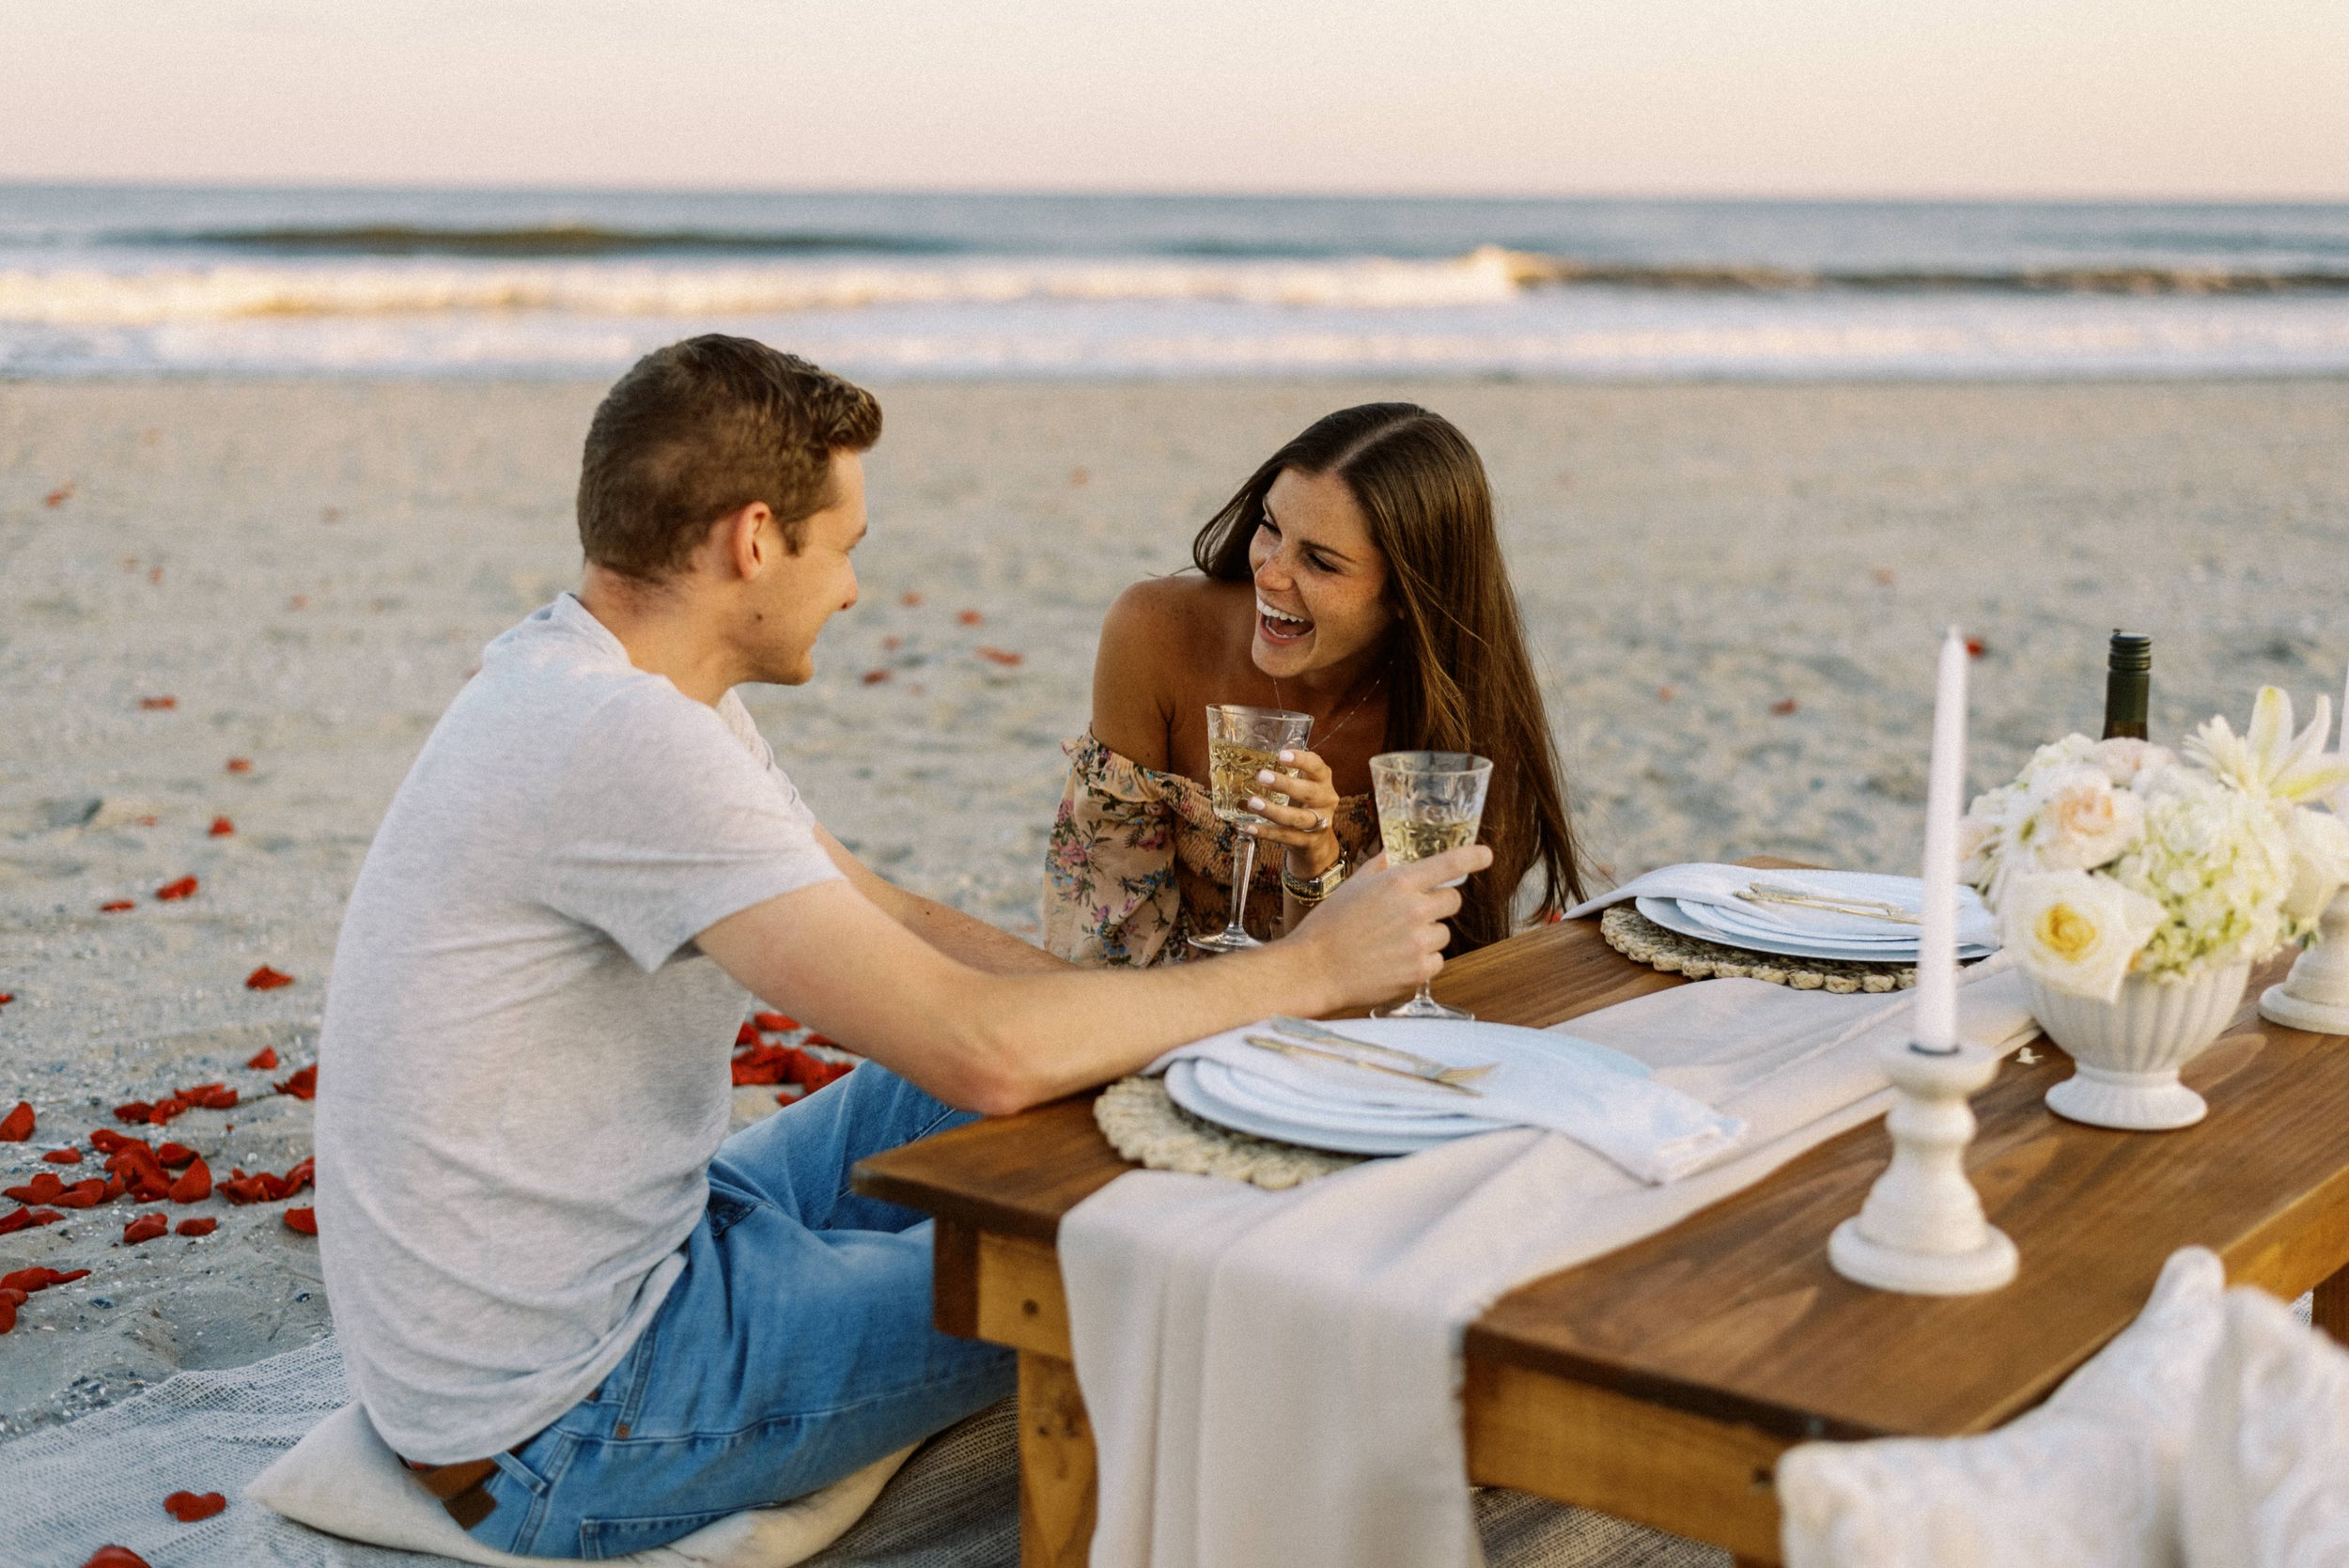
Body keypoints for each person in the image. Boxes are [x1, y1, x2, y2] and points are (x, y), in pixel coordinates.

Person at [312, 336, 1484, 1558]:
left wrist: (1225, 1024)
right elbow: (982, 1056)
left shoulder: (615, 680)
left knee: (993, 1090)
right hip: (569, 1418)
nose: (854, 590)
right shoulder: (624, 739)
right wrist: (1305, 973)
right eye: (846, 548)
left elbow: (894, 915)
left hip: (646, 1246)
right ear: (755, 541)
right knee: (1164, 1251)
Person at [1044, 402, 1583, 967]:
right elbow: (1106, 932)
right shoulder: (1154, 632)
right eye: (1271, 527)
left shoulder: (1456, 716)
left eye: (1320, 563)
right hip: (1153, 1008)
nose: (1269, 573)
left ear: (1407, 595)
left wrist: (1315, 854)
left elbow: (1400, 967)